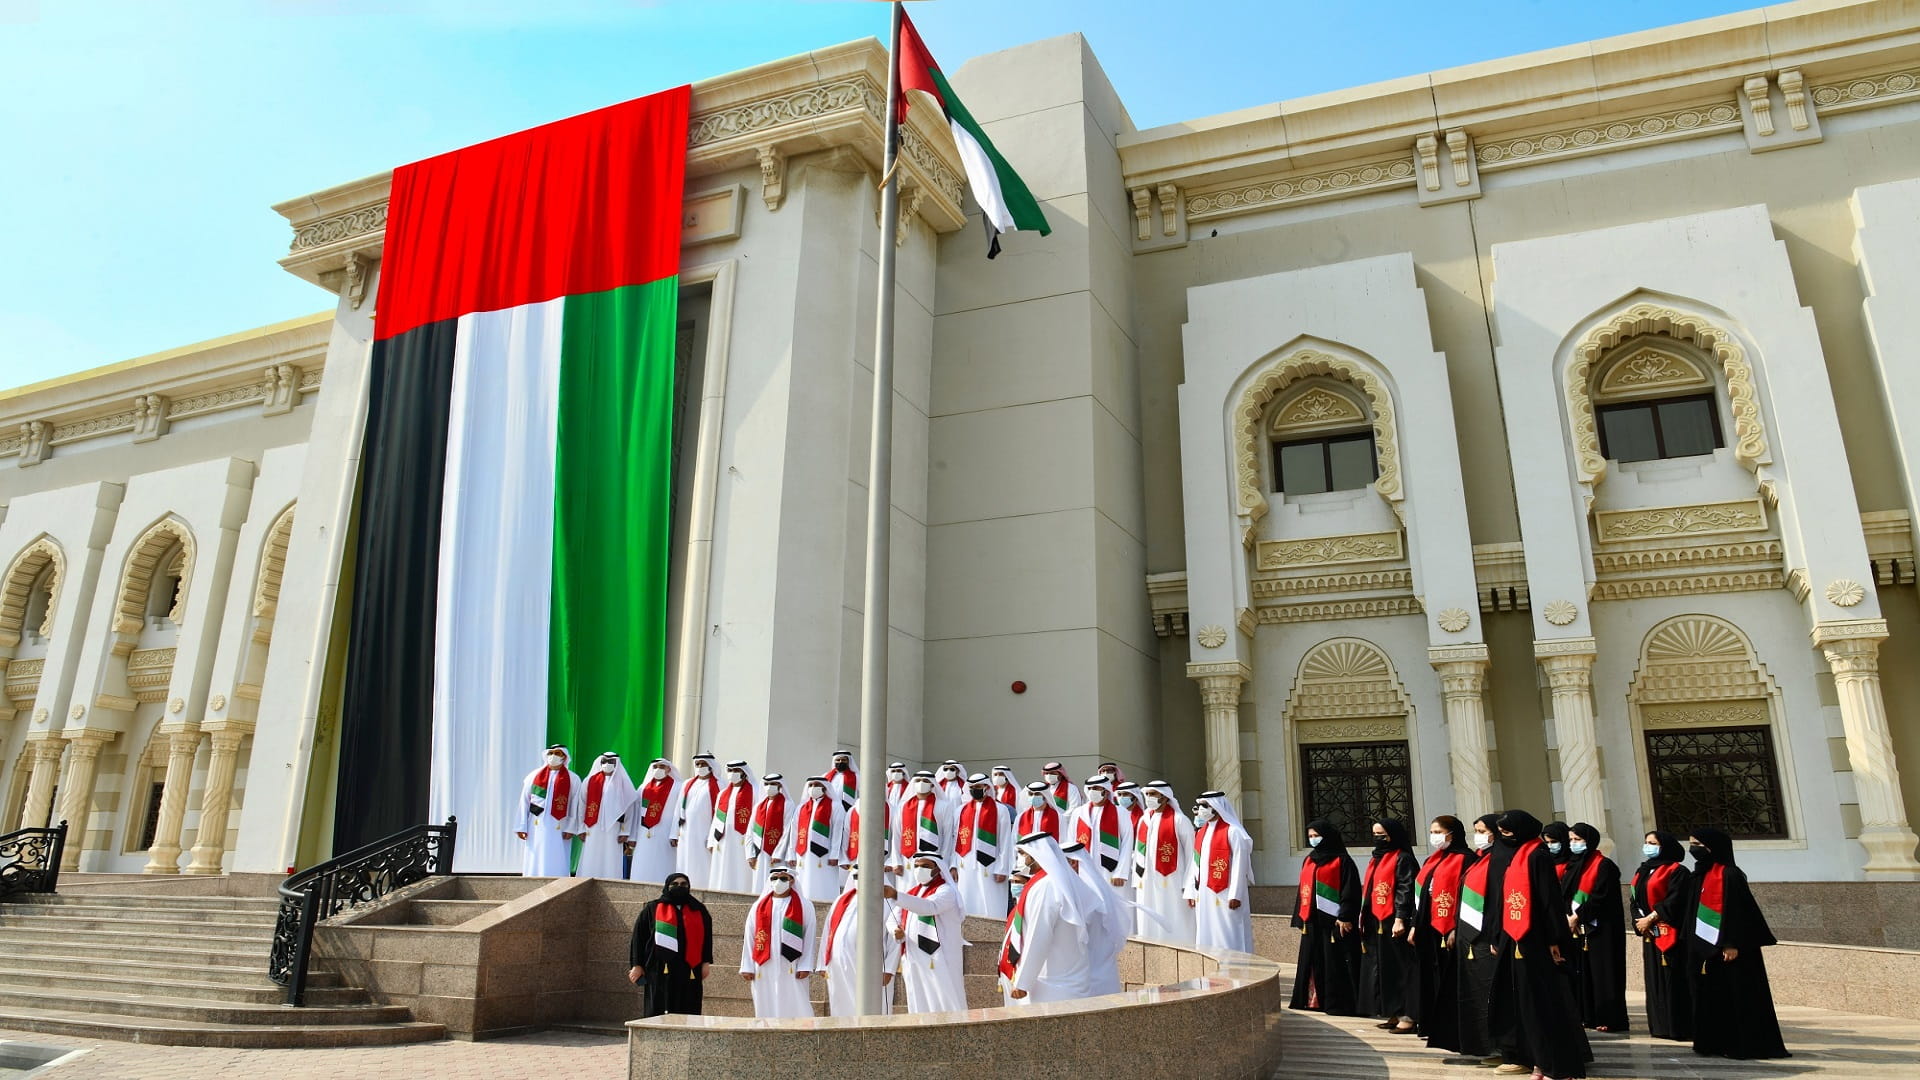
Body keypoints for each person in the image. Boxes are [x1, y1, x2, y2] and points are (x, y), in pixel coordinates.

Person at [1648, 827, 1789, 1061]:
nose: (1693, 849)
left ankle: (1739, 1044)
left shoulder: (1730, 875)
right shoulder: (1698, 874)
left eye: (1698, 844)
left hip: (1728, 950)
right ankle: (1712, 1042)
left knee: (1734, 997)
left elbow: (1739, 913)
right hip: (1701, 950)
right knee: (1707, 997)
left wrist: (1731, 942)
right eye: (1691, 843)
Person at [1488, 809, 1591, 1079]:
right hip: (1515, 939)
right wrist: (1499, 935)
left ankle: (1554, 1065)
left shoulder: (1537, 855)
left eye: (1508, 832)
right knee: (1524, 1006)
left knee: (1544, 1004)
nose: (1503, 837)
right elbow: (1504, 900)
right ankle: (1538, 1061)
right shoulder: (1515, 856)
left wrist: (1554, 940)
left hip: (1537, 941)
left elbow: (1549, 901)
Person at [999, 832, 1099, 1004]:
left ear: (1036, 855)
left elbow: (1039, 935)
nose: (1020, 860)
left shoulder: (1047, 886)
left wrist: (1023, 982)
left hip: (1055, 982)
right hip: (1064, 976)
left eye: (1023, 855)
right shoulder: (1055, 880)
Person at [1448, 814, 1507, 1066]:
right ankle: (1486, 1046)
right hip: (1469, 936)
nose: (1479, 835)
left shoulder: (1501, 860)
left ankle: (1503, 1048)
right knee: (1477, 995)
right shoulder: (1479, 860)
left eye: (1483, 830)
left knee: (1493, 994)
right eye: (1476, 830)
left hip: (1487, 937)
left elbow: (1499, 901)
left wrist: (1495, 935)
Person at [1408, 815, 1471, 1051]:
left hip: (1450, 928)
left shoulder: (1466, 859)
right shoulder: (1432, 860)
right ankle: (1429, 1025)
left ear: (1452, 834)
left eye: (1438, 831)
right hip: (1428, 927)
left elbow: (1464, 895)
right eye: (1432, 831)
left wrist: (1455, 926)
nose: (1434, 836)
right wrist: (1415, 925)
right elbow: (1423, 896)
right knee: (1428, 977)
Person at [1289, 818, 1361, 1015]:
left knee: (1333, 963)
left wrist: (1346, 915)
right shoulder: (1309, 859)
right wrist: (1300, 916)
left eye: (1317, 836)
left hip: (1334, 923)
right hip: (1311, 922)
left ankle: (1337, 1003)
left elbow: (1351, 891)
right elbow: (1303, 890)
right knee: (1312, 962)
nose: (1313, 840)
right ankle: (1313, 1000)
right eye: (1310, 836)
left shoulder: (1343, 861)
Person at [1564, 822, 1628, 1032]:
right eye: (1571, 839)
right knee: (1584, 974)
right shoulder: (1573, 864)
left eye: (1578, 840)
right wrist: (1568, 917)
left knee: (1604, 974)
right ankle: (1587, 1015)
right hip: (1578, 928)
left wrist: (1578, 916)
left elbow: (1601, 896)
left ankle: (1609, 1018)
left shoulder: (1604, 865)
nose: (1573, 844)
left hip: (1601, 928)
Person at [886, 853, 970, 1014]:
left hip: (939, 956)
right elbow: (892, 918)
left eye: (925, 866)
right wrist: (895, 931)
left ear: (938, 869)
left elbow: (929, 907)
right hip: (914, 955)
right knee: (918, 1001)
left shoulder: (946, 891)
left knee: (945, 999)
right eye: (916, 866)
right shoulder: (912, 892)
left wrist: (896, 895)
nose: (919, 869)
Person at [1629, 830, 1691, 1041]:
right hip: (1649, 932)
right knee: (1654, 979)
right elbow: (1635, 899)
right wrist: (1640, 919)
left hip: (1669, 931)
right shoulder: (1643, 870)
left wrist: (1652, 917)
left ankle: (1678, 1026)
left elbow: (1675, 900)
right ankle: (1659, 1025)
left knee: (1672, 979)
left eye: (1653, 843)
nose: (1648, 846)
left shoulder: (1677, 871)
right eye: (1646, 842)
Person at [1358, 818, 1418, 1033]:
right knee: (1383, 968)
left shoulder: (1403, 859)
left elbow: (1406, 889)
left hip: (1394, 921)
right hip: (1376, 921)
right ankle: (1391, 1010)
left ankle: (1407, 1015)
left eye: (1382, 835)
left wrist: (1401, 918)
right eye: (1375, 835)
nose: (1378, 839)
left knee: (1400, 968)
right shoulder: (1377, 859)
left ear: (1392, 835)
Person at [629, 872, 712, 1017]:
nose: (679, 887)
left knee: (687, 1006)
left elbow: (707, 938)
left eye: (683, 884)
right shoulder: (652, 908)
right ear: (667, 886)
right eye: (675, 884)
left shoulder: (698, 909)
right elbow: (638, 938)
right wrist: (637, 965)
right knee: (658, 1007)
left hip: (689, 968)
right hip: (658, 968)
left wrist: (706, 962)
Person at [818, 866, 897, 1016]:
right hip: (838, 965)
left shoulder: (888, 902)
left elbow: (895, 940)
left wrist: (889, 969)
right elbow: (829, 930)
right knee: (841, 1006)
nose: (859, 880)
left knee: (872, 1008)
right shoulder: (842, 900)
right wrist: (822, 963)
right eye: (855, 877)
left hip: (871, 967)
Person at [739, 866, 816, 1018]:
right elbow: (750, 936)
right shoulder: (758, 906)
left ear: (792, 880)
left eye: (783, 878)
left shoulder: (804, 905)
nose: (778, 882)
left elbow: (809, 936)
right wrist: (747, 965)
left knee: (796, 1001)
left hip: (792, 963)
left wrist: (805, 964)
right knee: (766, 1002)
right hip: (763, 963)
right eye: (774, 878)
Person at [1187, 790, 1253, 954]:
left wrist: (1235, 894)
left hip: (1226, 892)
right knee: (1207, 930)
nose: (1201, 809)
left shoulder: (1233, 831)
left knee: (1228, 930)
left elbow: (1240, 863)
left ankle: (1235, 967)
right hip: (1204, 892)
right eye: (1199, 806)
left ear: (1217, 807)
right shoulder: (1202, 832)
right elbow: (1195, 863)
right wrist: (1192, 891)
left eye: (1205, 806)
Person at [1132, 780, 1196, 944]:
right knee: (1149, 920)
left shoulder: (1180, 820)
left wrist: (1189, 886)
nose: (1149, 798)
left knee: (1174, 917)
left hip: (1173, 880)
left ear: (1165, 796)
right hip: (1146, 881)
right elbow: (1139, 851)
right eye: (1147, 794)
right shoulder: (1144, 819)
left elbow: (1192, 856)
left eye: (1153, 794)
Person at [1062, 841, 1127, 995]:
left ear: (1074, 863)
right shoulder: (1092, 886)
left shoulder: (1088, 890)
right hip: (1098, 968)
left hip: (1093, 970)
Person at [954, 773, 1015, 918]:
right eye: (972, 787)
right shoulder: (960, 810)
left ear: (987, 787)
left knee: (990, 905)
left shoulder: (1001, 810)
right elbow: (955, 839)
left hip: (991, 866)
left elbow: (1006, 841)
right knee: (966, 902)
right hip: (965, 865)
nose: (975, 789)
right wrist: (952, 865)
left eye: (978, 787)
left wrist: (1003, 869)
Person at [515, 745, 581, 877]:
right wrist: (521, 826)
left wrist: (571, 827)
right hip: (536, 824)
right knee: (535, 856)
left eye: (557, 753)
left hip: (560, 825)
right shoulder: (533, 776)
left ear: (564, 757)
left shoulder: (573, 779)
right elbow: (524, 801)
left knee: (557, 857)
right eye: (551, 753)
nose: (553, 756)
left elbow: (575, 804)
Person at [576, 751, 637, 879]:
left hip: (614, 828)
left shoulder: (624, 783)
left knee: (611, 858)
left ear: (616, 764)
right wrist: (581, 828)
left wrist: (625, 831)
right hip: (592, 826)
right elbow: (582, 804)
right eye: (604, 762)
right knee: (591, 856)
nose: (607, 764)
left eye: (611, 762)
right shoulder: (589, 781)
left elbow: (629, 808)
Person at [625, 757, 681, 885]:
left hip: (666, 833)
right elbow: (636, 813)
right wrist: (632, 836)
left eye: (662, 767)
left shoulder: (678, 787)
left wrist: (675, 833)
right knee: (642, 863)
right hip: (643, 833)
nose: (658, 770)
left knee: (664, 864)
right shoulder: (643, 787)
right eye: (655, 767)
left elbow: (679, 813)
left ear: (669, 769)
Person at [1068, 775, 1128, 894]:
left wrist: (1121, 872)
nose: (1092, 792)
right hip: (1085, 867)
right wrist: (1072, 867)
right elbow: (1071, 841)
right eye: (1090, 788)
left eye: (1096, 788)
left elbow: (1127, 842)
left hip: (1110, 869)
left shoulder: (1120, 812)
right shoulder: (1079, 812)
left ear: (1106, 791)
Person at [707, 760, 760, 894]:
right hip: (723, 838)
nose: (732, 774)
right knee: (721, 870)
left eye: (736, 771)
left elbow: (758, 819)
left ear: (744, 773)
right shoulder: (723, 793)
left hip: (742, 838)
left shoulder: (755, 791)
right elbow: (717, 818)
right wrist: (712, 840)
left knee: (740, 871)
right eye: (730, 771)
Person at [792, 776, 846, 903]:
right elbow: (794, 831)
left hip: (825, 855)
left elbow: (838, 832)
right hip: (803, 853)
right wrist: (791, 854)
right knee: (804, 881)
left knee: (823, 882)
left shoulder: (835, 806)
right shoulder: (801, 808)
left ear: (824, 787)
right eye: (810, 785)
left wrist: (834, 854)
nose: (813, 788)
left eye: (816, 785)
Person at [674, 753, 721, 888]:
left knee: (702, 863)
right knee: (685, 861)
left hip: (705, 831)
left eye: (704, 764)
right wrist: (674, 832)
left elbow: (720, 813)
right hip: (685, 832)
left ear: (711, 766)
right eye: (698, 764)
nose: (700, 767)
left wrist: (713, 836)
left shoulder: (719, 785)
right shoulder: (687, 783)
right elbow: (678, 809)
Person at [892, 770, 952, 874]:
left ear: (932, 785)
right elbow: (897, 834)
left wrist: (942, 862)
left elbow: (948, 836)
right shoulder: (903, 807)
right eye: (918, 781)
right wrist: (896, 862)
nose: (921, 783)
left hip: (933, 861)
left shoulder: (943, 806)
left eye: (925, 781)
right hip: (907, 861)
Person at [746, 772, 796, 891]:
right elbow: (750, 830)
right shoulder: (758, 806)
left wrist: (778, 853)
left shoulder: (788, 804)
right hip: (759, 853)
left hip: (777, 854)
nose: (769, 787)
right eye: (767, 784)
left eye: (773, 784)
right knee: (758, 886)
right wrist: (750, 854)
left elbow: (787, 831)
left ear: (780, 786)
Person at [1110, 781, 1146, 905]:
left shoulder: (1143, 817)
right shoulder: (1114, 814)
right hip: (1114, 861)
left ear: (1135, 797)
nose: (1121, 798)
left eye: (1125, 794)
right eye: (1119, 794)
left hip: (1136, 862)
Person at [1016, 780, 1062, 845]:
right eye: (1031, 794)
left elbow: (1063, 840)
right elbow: (1014, 840)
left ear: (1045, 796)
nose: (1033, 797)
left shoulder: (1058, 817)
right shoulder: (1020, 817)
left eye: (1037, 794)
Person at [1039, 761, 1081, 828]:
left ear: (1060, 774)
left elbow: (1075, 807)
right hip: (1045, 825)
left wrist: (1059, 820)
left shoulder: (1071, 788)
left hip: (1065, 825)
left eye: (1052, 773)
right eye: (1046, 773)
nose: (1049, 776)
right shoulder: (1043, 788)